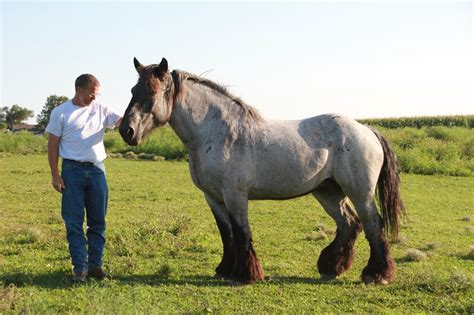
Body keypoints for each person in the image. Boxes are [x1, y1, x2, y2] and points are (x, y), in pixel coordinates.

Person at [46, 74, 122, 283]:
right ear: (79, 89)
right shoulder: (61, 112)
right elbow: (53, 145)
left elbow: (122, 122)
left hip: (97, 171)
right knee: (74, 222)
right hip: (71, 171)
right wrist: (55, 175)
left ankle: (95, 266)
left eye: (97, 94)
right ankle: (80, 267)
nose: (94, 98)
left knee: (98, 221)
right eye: (92, 93)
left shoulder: (101, 109)